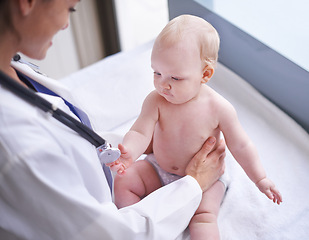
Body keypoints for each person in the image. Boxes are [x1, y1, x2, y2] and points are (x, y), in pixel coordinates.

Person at [0, 1, 226, 240]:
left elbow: (69, 136)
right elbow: (113, 235)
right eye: (70, 8)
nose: (66, 24)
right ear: (27, 2)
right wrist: (192, 184)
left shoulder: (13, 68)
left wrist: (154, 142)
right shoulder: (16, 144)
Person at [109, 15, 283, 240]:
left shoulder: (219, 108)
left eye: (176, 77)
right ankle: (137, 231)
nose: (163, 84)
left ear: (205, 74)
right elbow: (140, 132)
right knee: (124, 180)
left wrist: (260, 179)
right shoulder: (155, 101)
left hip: (206, 182)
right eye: (157, 72)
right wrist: (129, 153)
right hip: (159, 171)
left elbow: (241, 144)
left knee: (203, 218)